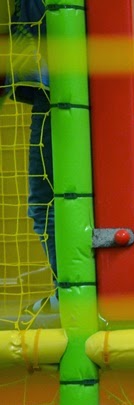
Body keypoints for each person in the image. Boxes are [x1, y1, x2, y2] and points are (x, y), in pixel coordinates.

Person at [1, 0, 58, 314]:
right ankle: (71, 289)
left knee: (45, 204)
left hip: (57, 95)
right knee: (48, 204)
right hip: (56, 92)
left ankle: (70, 290)